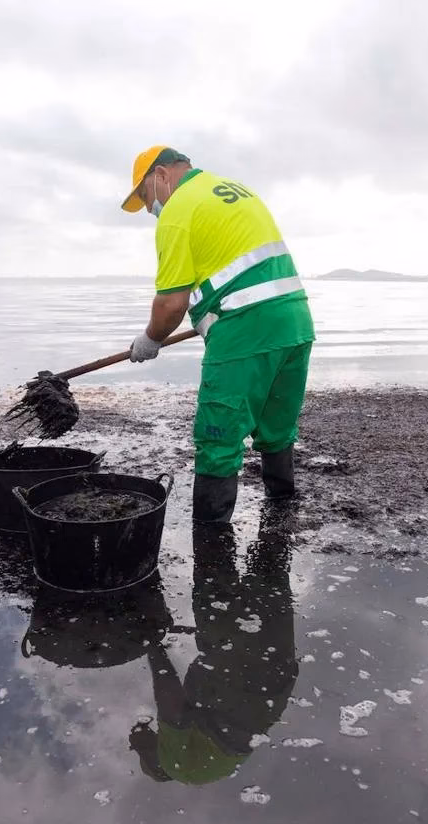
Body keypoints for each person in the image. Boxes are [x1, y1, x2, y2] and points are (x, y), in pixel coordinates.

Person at [121, 147, 315, 522]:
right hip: (294, 322)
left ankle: (211, 551)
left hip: (245, 330)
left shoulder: (178, 211)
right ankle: (282, 513)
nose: (149, 209)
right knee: (277, 427)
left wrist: (150, 340)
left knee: (218, 438)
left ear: (160, 175)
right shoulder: (233, 189)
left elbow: (171, 304)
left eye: (145, 197)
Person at [128, 508, 298, 783]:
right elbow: (172, 706)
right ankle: (217, 529)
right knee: (213, 579)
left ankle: (278, 520)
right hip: (242, 680)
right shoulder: (174, 766)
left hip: (277, 670)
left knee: (270, 573)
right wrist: (153, 646)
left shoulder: (214, 768)